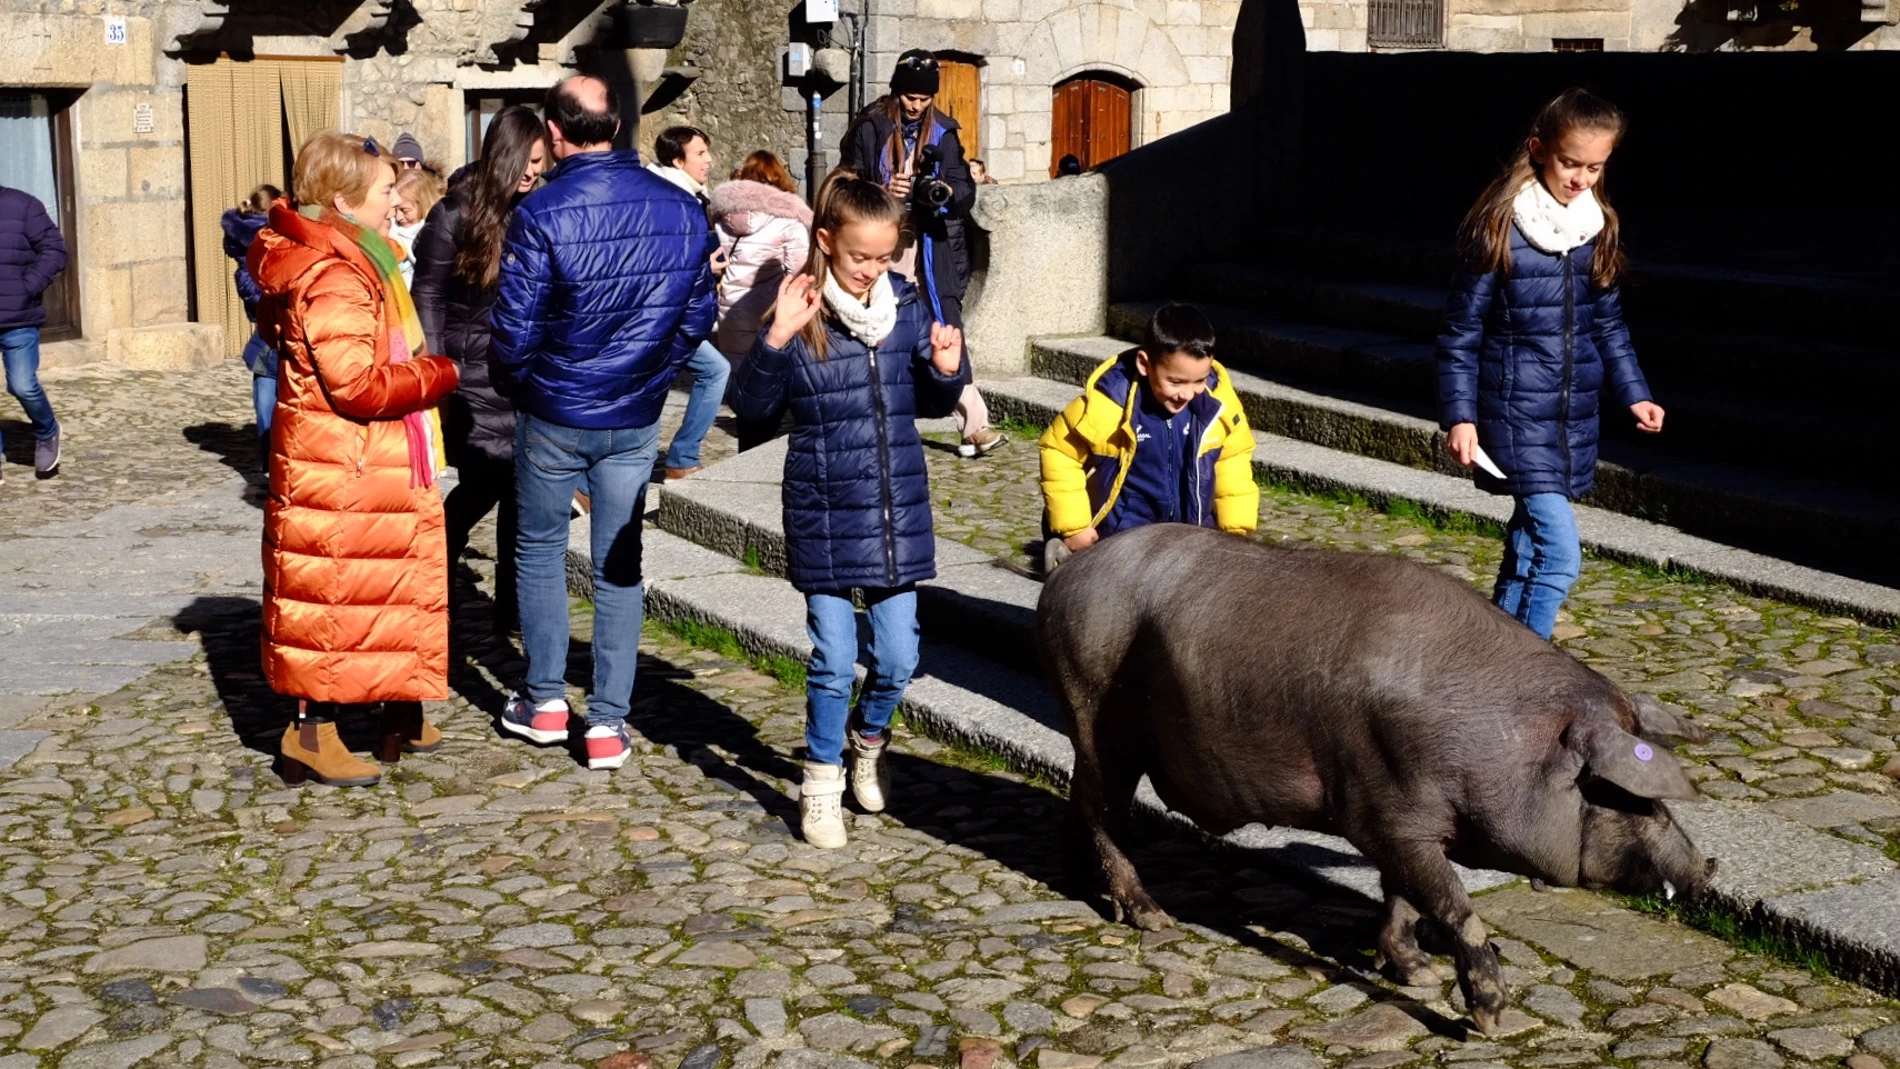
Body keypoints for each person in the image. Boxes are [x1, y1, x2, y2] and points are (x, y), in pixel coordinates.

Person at [729, 171, 970, 849]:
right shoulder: (800, 306)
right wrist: (775, 338)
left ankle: (868, 738)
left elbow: (918, 399)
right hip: (823, 507)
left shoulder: (905, 306)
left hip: (894, 507)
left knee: (898, 656)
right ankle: (820, 779)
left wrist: (946, 373)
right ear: (827, 241)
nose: (872, 269)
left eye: (884, 256)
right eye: (859, 256)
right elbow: (752, 409)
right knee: (833, 659)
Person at [491, 76, 717, 771]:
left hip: (556, 407)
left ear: (554, 135)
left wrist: (526, 386)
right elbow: (698, 314)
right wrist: (650, 373)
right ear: (615, 126)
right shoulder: (679, 208)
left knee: (538, 549)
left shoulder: (542, 212)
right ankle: (609, 723)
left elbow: (512, 335)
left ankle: (546, 699)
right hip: (631, 412)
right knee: (620, 566)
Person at [248, 132, 461, 787]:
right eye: (384, 191)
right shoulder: (336, 272)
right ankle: (310, 733)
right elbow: (357, 383)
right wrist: (437, 373)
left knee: (382, 585)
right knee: (329, 596)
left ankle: (398, 703)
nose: (398, 198)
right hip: (340, 464)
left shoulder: (341, 253)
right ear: (342, 200)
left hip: (355, 462)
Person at [1436, 88, 1664, 642]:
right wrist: (1459, 417)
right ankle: (1531, 678)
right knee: (1559, 557)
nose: (1582, 178)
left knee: (1524, 551)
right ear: (1540, 149)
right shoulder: (1501, 226)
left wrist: (1634, 392)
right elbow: (1461, 332)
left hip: (1571, 419)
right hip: (1512, 415)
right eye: (1570, 162)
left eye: (1595, 167)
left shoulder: (1596, 227)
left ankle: (1489, 663)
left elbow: (1607, 324)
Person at [413, 106, 548, 638]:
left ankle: (511, 608)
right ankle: (435, 571)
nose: (534, 171)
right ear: (505, 154)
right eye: (528, 160)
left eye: (542, 161)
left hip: (520, 375)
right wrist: (437, 371)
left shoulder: (537, 209)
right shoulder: (455, 213)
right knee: (485, 482)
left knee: (520, 490)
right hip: (468, 377)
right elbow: (427, 293)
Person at [840, 50, 1005, 460]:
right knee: (875, 325)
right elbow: (845, 181)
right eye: (910, 97)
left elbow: (964, 189)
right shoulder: (869, 128)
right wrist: (880, 189)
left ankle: (975, 425)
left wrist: (945, 193)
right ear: (897, 92)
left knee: (944, 326)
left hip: (929, 247)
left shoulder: (945, 133)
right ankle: (869, 415)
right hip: (878, 242)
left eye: (924, 99)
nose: (916, 106)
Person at [1038, 303, 1257, 575]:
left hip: (1193, 536)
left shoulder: (1217, 406)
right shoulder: (1108, 405)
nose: (1188, 394)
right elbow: (1059, 451)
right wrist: (1074, 527)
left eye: (1199, 380)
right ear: (1144, 364)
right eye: (1176, 382)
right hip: (1123, 538)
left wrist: (1235, 530)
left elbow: (1233, 462)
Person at [707, 150, 811, 452]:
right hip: (769, 316)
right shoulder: (788, 222)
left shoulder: (723, 218)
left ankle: (747, 448)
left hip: (730, 316)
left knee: (744, 386)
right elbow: (800, 274)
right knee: (773, 384)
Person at [645, 125, 731, 480]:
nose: (709, 160)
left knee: (709, 371)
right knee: (655, 383)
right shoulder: (667, 199)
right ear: (677, 160)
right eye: (699, 153)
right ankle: (668, 459)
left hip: (681, 312)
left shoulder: (691, 195)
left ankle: (679, 457)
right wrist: (703, 267)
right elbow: (658, 259)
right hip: (663, 316)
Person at [1, 181, 69, 482]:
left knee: (22, 385)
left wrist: (26, 288)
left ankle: (46, 430)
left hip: (18, 317)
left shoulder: (23, 205)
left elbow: (55, 250)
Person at [222, 184, 284, 465]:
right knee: (272, 387)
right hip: (275, 321)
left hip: (265, 324)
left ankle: (268, 453)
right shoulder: (269, 238)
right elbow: (251, 283)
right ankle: (273, 454)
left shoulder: (246, 240)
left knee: (266, 388)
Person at [390, 166, 445, 289]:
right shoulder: (389, 230)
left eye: (405, 210)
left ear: (423, 205)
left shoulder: (440, 234)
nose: (398, 217)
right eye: (395, 209)